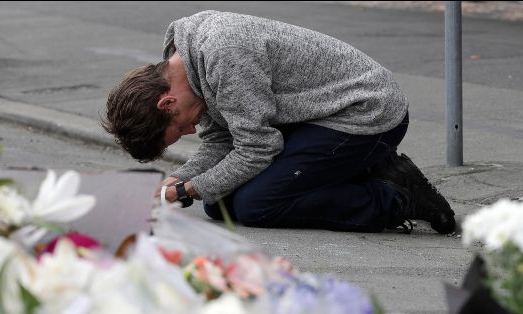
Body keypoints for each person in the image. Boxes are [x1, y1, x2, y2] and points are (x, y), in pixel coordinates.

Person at [102, 10, 455, 234]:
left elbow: (257, 148)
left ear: (166, 102)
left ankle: (396, 195)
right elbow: (221, 142)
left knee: (256, 205)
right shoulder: (188, 68)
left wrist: (187, 190)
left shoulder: (224, 56)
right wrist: (183, 178)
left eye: (180, 128)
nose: (191, 130)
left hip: (366, 112)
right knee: (221, 203)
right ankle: (365, 169)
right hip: (314, 116)